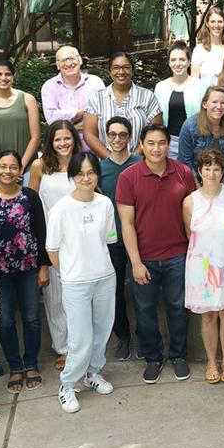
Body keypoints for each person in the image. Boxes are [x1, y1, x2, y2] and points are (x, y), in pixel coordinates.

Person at [116, 124, 198, 384]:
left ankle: (178, 355)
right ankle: (153, 358)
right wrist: (136, 262)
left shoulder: (183, 173)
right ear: (141, 145)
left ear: (167, 145)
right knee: (145, 310)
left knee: (178, 308)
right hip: (145, 258)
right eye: (151, 143)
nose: (156, 148)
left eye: (161, 142)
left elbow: (194, 215)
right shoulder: (129, 177)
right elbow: (126, 223)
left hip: (178, 255)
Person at [46, 152, 118, 413]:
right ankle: (67, 384)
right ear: (72, 176)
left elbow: (109, 238)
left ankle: (93, 373)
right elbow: (52, 249)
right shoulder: (61, 209)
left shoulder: (105, 204)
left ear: (97, 174)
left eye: (91, 173)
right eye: (80, 174)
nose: (86, 178)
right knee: (80, 337)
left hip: (104, 277)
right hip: (75, 282)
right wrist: (68, 273)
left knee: (101, 331)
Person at [0, 150, 48, 394]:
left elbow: (41, 232)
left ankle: (31, 363)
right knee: (5, 320)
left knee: (32, 318)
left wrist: (44, 266)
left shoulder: (30, 197)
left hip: (29, 268)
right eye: (3, 166)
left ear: (20, 172)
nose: (8, 171)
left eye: (13, 167)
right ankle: (15, 366)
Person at [182, 149, 224, 385]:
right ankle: (211, 361)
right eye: (207, 168)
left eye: (216, 168)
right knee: (207, 315)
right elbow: (188, 234)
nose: (211, 173)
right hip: (202, 267)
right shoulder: (190, 201)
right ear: (199, 171)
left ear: (223, 171)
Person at [28, 120, 82, 371]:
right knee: (55, 298)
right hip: (51, 241)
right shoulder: (40, 167)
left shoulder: (82, 165)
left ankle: (82, 345)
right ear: (50, 142)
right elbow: (31, 205)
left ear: (74, 139)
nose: (63, 143)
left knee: (81, 297)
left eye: (67, 138)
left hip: (81, 240)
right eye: (58, 139)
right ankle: (63, 348)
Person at [98, 117, 141, 361]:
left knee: (141, 291)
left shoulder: (140, 164)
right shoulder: (100, 169)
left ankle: (144, 336)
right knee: (114, 293)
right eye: (112, 134)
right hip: (111, 239)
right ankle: (123, 337)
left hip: (139, 236)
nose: (117, 139)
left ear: (129, 137)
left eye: (122, 134)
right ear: (106, 137)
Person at [83, 51, 162, 158]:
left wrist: (133, 159)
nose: (121, 71)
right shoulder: (97, 98)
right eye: (116, 67)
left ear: (133, 71)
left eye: (126, 67)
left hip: (140, 163)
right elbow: (89, 134)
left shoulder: (147, 97)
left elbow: (154, 132)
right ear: (110, 72)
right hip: (105, 164)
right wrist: (111, 160)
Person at [0, 60, 41, 167]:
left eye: (8, 74)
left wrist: (21, 166)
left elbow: (36, 137)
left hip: (27, 164)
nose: (3, 78)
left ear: (13, 76)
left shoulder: (28, 99)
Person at [40, 47, 105, 140]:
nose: (69, 63)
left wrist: (69, 126)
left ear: (80, 60)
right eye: (63, 60)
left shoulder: (95, 83)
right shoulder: (49, 87)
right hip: (64, 147)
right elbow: (52, 118)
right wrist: (82, 113)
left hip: (95, 146)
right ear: (58, 65)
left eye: (72, 58)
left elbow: (103, 115)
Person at [153, 42, 204, 159]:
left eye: (182, 59)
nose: (178, 64)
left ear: (189, 62)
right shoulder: (160, 87)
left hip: (195, 141)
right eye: (173, 60)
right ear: (169, 63)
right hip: (169, 142)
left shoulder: (200, 85)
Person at [177, 86, 224, 173]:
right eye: (214, 102)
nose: (219, 107)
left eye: (223, 103)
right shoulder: (189, 126)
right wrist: (198, 184)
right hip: (195, 177)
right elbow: (185, 162)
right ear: (205, 104)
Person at [191, 5, 224, 83]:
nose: (216, 25)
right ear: (207, 24)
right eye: (213, 21)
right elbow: (194, 81)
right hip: (205, 94)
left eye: (220, 22)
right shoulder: (199, 50)